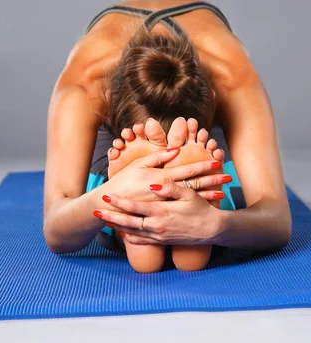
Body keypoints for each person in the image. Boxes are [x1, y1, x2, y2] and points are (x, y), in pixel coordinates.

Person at [43, 1, 291, 273]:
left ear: (214, 99)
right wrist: (221, 225)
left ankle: (127, 220)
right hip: (191, 132)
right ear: (107, 101)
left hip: (149, 132)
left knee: (94, 190)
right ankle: (188, 186)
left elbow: (57, 229)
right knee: (219, 176)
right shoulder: (233, 74)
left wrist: (105, 198)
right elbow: (274, 220)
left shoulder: (82, 81)